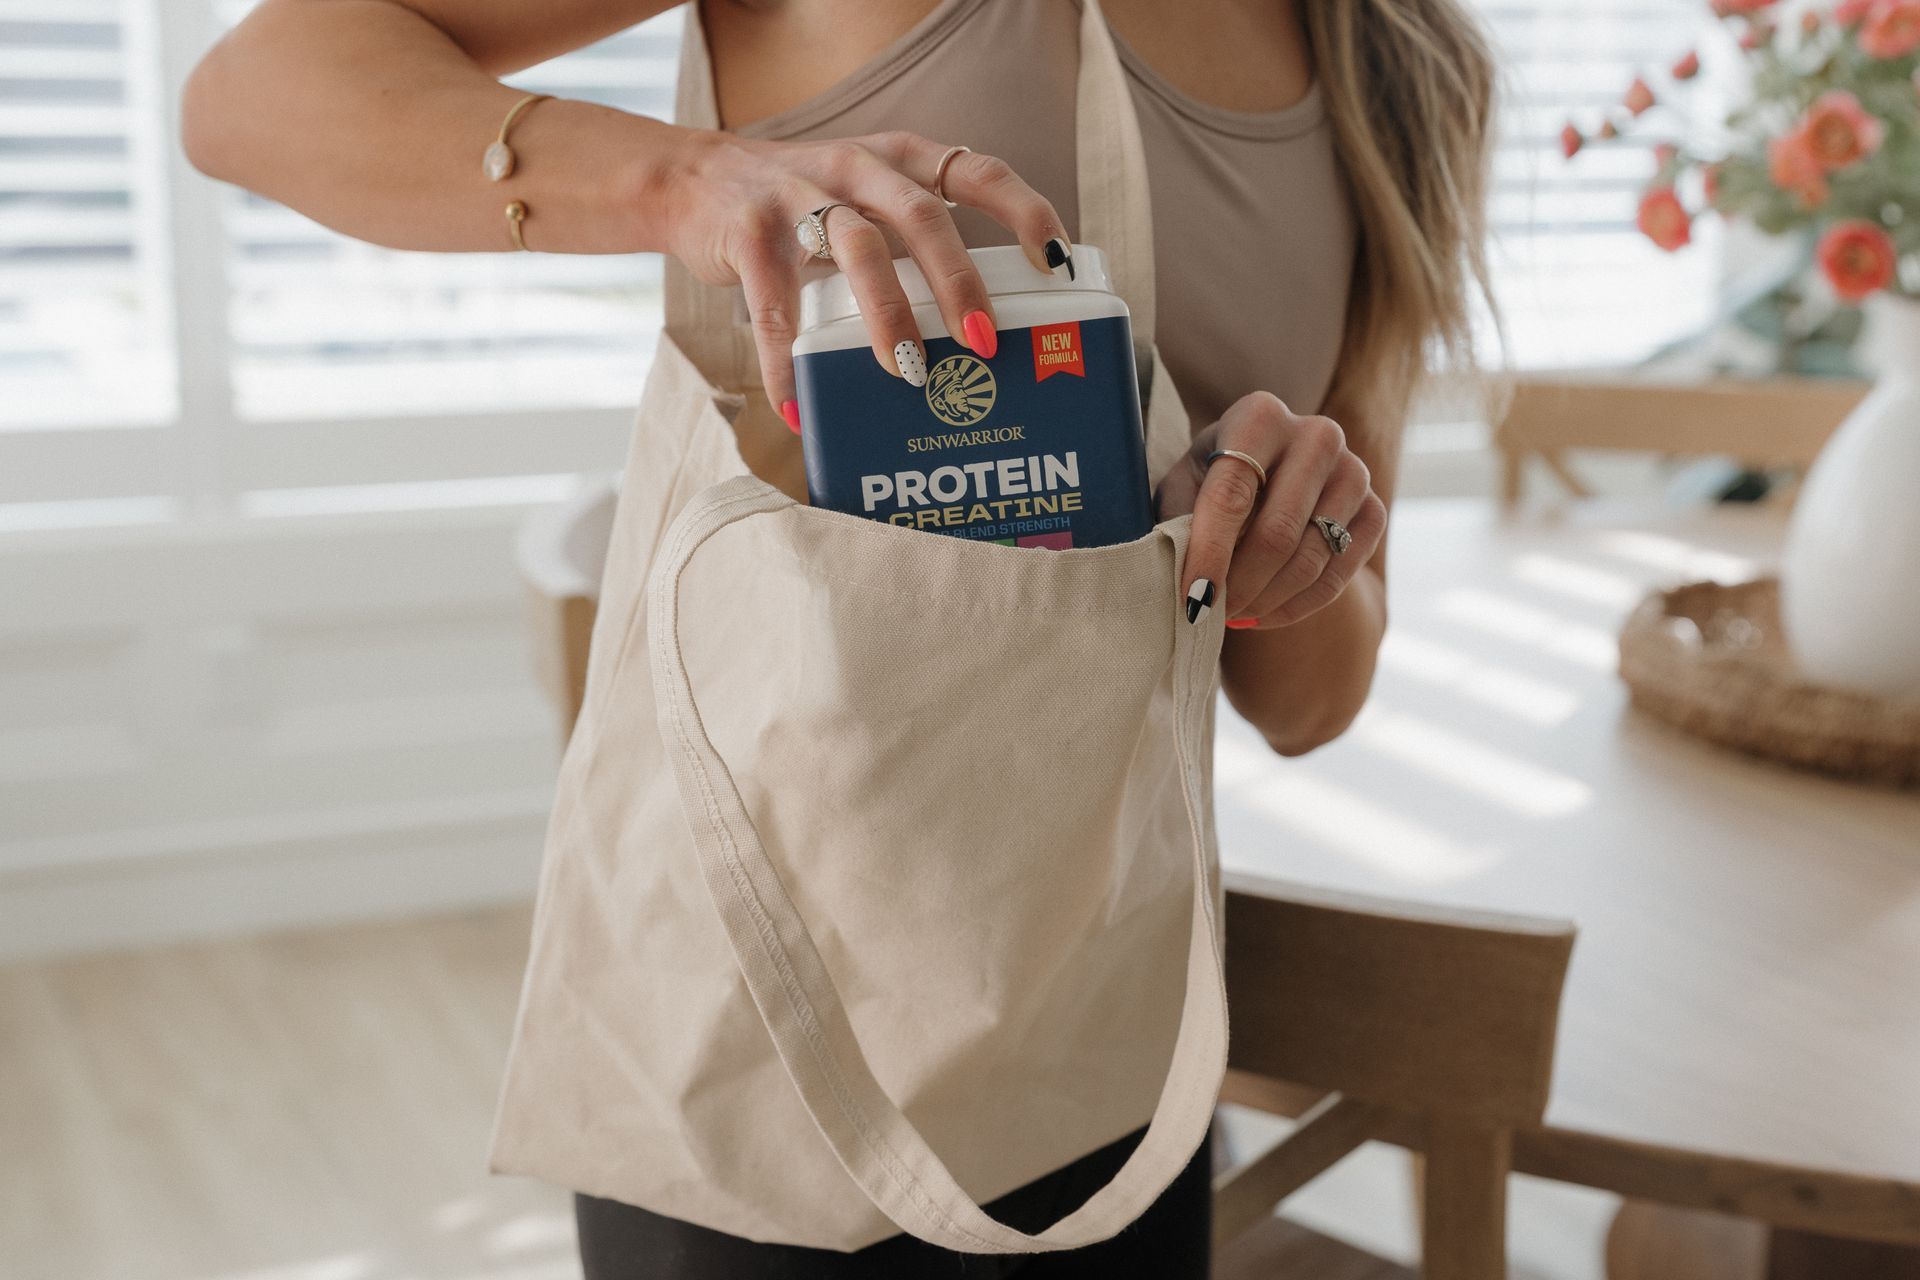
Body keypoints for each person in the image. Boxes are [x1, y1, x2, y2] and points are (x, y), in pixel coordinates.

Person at [182, 1, 1496, 1274]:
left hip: (1113, 1037)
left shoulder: (1398, 59)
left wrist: (1283, 542)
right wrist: (677, 182)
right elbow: (252, 95)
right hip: (763, 1025)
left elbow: (1308, 701)